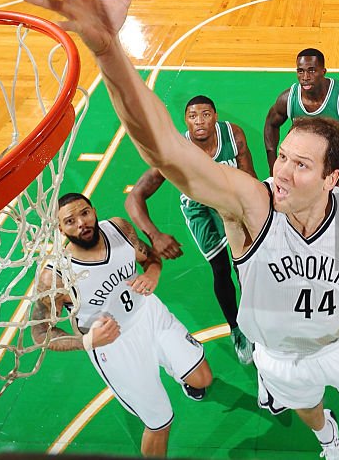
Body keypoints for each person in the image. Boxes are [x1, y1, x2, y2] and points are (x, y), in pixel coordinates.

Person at [18, 0, 339, 460]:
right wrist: (109, 52)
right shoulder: (253, 205)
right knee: (307, 407)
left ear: (331, 179)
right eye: (281, 156)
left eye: (301, 164)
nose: (280, 170)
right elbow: (166, 152)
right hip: (279, 356)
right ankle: (328, 439)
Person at [31, 193, 213, 457]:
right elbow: (40, 333)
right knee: (160, 423)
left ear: (93, 210)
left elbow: (150, 258)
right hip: (114, 346)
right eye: (70, 221)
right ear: (60, 229)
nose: (81, 223)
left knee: (203, 378)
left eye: (84, 213)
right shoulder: (55, 276)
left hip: (150, 314)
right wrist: (87, 342)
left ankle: (178, 371)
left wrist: (152, 274)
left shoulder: (119, 228)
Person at [125, 95, 256, 365]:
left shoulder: (233, 135)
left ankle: (255, 319)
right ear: (185, 120)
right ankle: (237, 329)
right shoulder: (177, 151)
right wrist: (155, 235)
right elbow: (134, 197)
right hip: (200, 208)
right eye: (193, 116)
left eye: (206, 114)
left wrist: (255, 211)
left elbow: (249, 175)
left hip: (231, 201)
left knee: (245, 265)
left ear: (215, 116)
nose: (200, 121)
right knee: (221, 268)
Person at [263, 48, 339, 204]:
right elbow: (271, 124)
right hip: (307, 166)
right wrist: (273, 166)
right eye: (300, 71)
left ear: (323, 71)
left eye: (311, 71)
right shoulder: (288, 99)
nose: (305, 77)